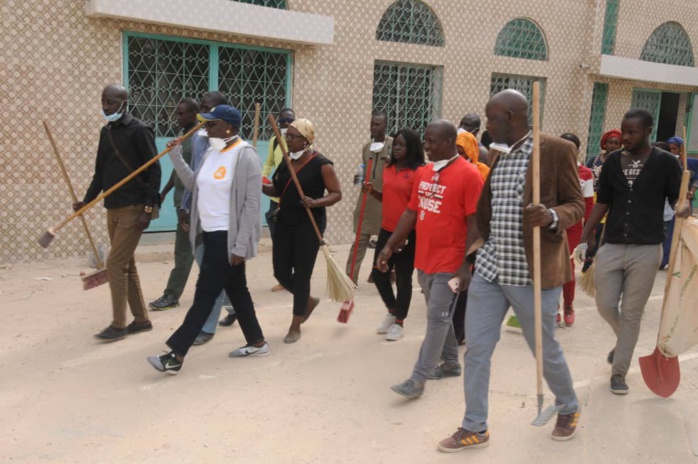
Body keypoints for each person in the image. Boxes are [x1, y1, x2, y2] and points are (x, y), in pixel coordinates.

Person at [438, 90, 584, 453]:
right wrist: (474, 255)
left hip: (531, 273)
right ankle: (475, 426)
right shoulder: (498, 157)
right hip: (490, 270)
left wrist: (551, 216)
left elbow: (576, 204)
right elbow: (487, 213)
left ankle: (568, 405)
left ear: (510, 115)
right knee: (477, 351)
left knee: (543, 348)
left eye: (490, 119)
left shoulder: (555, 150)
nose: (486, 126)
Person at [147, 105, 268, 374]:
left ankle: (175, 355)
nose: (205, 129)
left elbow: (251, 204)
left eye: (210, 124)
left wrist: (240, 244)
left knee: (204, 295)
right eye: (204, 124)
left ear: (228, 126)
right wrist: (176, 156)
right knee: (238, 291)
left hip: (228, 238)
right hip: (208, 233)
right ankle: (257, 341)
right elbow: (194, 185)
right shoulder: (212, 152)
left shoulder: (245, 155)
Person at [579, 109, 687, 395]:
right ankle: (625, 340)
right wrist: (587, 232)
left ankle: (619, 371)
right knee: (605, 303)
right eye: (624, 131)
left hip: (647, 247)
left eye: (632, 132)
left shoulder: (666, 162)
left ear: (648, 131)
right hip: (612, 244)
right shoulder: (613, 161)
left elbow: (677, 197)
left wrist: (683, 207)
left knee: (632, 313)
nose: (625, 137)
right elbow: (603, 201)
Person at [381, 120, 483, 398]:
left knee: (436, 318)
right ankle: (450, 363)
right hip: (424, 258)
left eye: (432, 141)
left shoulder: (469, 175)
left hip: (451, 262)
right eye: (425, 140)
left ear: (450, 142)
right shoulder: (424, 173)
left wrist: (465, 264)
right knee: (441, 315)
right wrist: (389, 246)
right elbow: (410, 213)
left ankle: (418, 379)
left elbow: (476, 224)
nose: (426, 146)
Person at [74, 84, 160, 342]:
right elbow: (100, 172)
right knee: (126, 265)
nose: (106, 107)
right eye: (103, 101)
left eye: (111, 102)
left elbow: (154, 172)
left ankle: (119, 324)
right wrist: (87, 201)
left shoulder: (140, 130)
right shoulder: (106, 131)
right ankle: (142, 319)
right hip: (112, 206)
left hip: (134, 208)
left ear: (124, 103)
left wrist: (147, 209)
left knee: (114, 264)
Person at [263, 119, 342, 344]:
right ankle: (307, 301)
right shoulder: (287, 161)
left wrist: (316, 202)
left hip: (309, 225)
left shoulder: (322, 164)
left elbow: (336, 193)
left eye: (292, 136)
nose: (287, 140)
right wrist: (258, 183)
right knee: (280, 272)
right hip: (285, 223)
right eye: (286, 135)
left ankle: (295, 324)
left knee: (302, 275)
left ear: (306, 140)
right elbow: (276, 189)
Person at [179, 92, 238, 345]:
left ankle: (207, 327)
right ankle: (235, 305)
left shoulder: (235, 149)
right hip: (200, 213)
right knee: (213, 271)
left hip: (221, 221)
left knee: (209, 275)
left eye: (207, 111)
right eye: (201, 109)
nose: (202, 115)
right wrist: (185, 207)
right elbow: (195, 179)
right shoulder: (200, 139)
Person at [372, 129, 425, 341]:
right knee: (378, 272)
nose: (397, 148)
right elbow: (389, 197)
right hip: (386, 229)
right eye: (395, 145)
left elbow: (415, 206)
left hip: (408, 234)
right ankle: (392, 310)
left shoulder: (418, 172)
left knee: (403, 278)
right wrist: (371, 192)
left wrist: (405, 234)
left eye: (402, 145)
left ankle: (399, 322)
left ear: (411, 148)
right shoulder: (388, 168)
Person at [148, 98, 199, 311]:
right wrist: (165, 192)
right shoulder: (183, 137)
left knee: (184, 252)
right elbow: (178, 170)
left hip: (191, 204)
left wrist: (186, 208)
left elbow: (194, 175)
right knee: (192, 251)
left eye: (181, 114)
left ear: (194, 114)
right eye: (176, 113)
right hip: (181, 201)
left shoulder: (198, 140)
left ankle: (171, 295)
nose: (176, 118)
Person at [450, 131, 490, 345]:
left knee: (466, 286)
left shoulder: (482, 171)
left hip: (475, 234)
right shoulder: (449, 170)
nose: (458, 154)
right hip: (453, 234)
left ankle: (459, 332)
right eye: (455, 150)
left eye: (462, 150)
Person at [346, 111, 392, 283]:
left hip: (386, 201)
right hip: (366, 199)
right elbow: (364, 170)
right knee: (360, 238)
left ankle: (380, 273)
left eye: (378, 124)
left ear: (385, 125)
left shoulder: (393, 145)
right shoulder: (367, 147)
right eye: (372, 123)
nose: (374, 127)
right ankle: (350, 278)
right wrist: (358, 178)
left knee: (385, 240)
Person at [557, 133, 593, 326]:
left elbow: (589, 205)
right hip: (553, 224)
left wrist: (589, 234)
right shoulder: (550, 168)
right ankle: (552, 307)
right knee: (551, 266)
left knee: (568, 267)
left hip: (573, 227)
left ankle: (568, 304)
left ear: (577, 150)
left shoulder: (585, 173)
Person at [264, 108, 295, 292]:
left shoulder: (300, 142)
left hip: (290, 199)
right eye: (282, 120)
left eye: (289, 120)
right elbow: (269, 162)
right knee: (278, 239)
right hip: (276, 197)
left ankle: (292, 276)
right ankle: (283, 277)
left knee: (290, 239)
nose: (285, 124)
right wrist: (263, 177)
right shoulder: (275, 141)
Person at [660, 136, 698, 269]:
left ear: (681, 149)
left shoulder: (690, 162)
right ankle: (663, 260)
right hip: (670, 199)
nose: (672, 151)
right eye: (670, 149)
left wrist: (691, 191)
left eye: (675, 149)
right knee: (666, 230)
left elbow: (696, 178)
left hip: (684, 199)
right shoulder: (667, 162)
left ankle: (675, 261)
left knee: (679, 230)